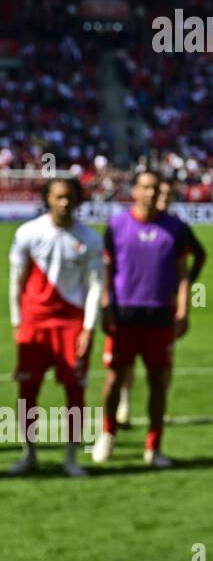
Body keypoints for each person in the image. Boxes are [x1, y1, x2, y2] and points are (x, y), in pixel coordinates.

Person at [94, 170, 192, 468]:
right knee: (115, 378)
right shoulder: (116, 225)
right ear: (133, 191)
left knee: (158, 383)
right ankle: (107, 433)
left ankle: (154, 446)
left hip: (159, 316)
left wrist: (184, 310)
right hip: (124, 315)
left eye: (155, 188)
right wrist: (105, 303)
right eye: (145, 187)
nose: (151, 193)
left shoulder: (175, 228)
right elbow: (106, 269)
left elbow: (184, 273)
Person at [8, 178, 103, 477]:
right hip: (34, 324)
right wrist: (17, 322)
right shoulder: (29, 233)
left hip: (71, 324)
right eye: (59, 197)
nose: (65, 202)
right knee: (27, 391)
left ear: (78, 200)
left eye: (70, 197)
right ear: (47, 199)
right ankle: (29, 454)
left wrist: (88, 328)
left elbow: (96, 286)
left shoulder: (89, 238)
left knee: (75, 392)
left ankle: (72, 458)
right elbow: (16, 282)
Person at [114, 177, 206, 429]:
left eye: (166, 195)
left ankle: (159, 406)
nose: (161, 199)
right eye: (159, 194)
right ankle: (124, 403)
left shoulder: (177, 227)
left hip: (165, 302)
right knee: (126, 361)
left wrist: (185, 283)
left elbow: (200, 255)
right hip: (132, 303)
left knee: (163, 360)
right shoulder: (126, 224)